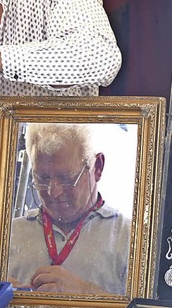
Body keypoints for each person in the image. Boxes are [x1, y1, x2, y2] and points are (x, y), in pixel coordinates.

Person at [7, 123, 130, 295]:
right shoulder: (6, 236)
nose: (53, 192)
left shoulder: (132, 239)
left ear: (97, 168)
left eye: (66, 178)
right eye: (42, 178)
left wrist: (84, 293)